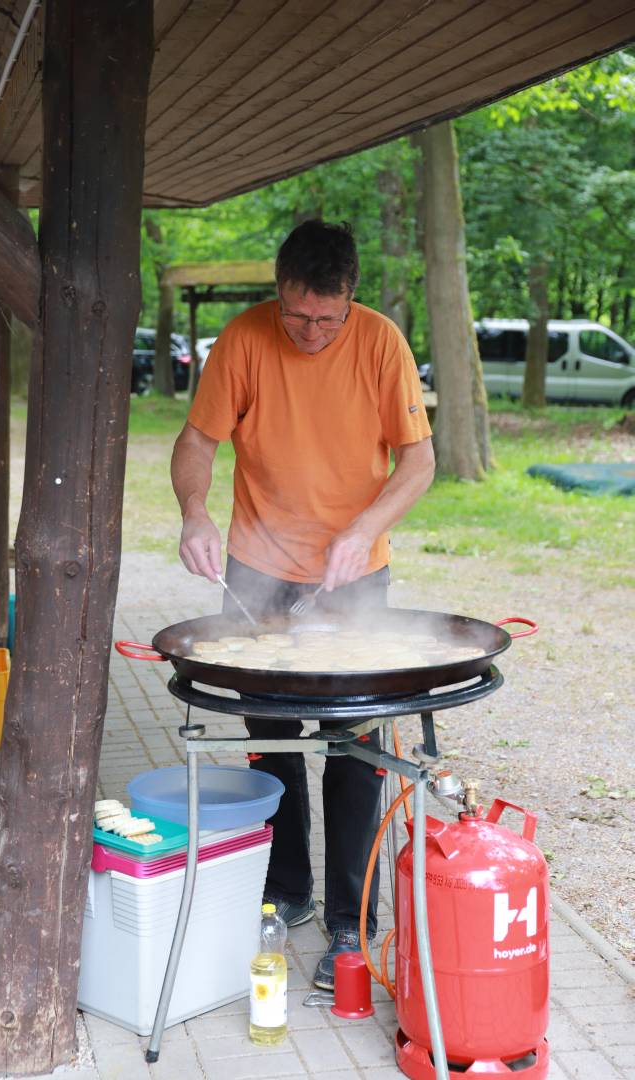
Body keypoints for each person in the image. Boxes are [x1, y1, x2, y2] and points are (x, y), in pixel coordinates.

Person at [170, 220, 434, 988]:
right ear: (278, 293)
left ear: (350, 298)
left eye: (328, 317)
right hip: (260, 570)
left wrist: (364, 529)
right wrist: (195, 513)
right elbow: (198, 442)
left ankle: (353, 920)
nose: (311, 331)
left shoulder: (381, 343)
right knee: (271, 740)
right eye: (297, 314)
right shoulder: (243, 339)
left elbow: (418, 462)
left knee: (354, 747)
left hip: (354, 571)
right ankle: (288, 889)